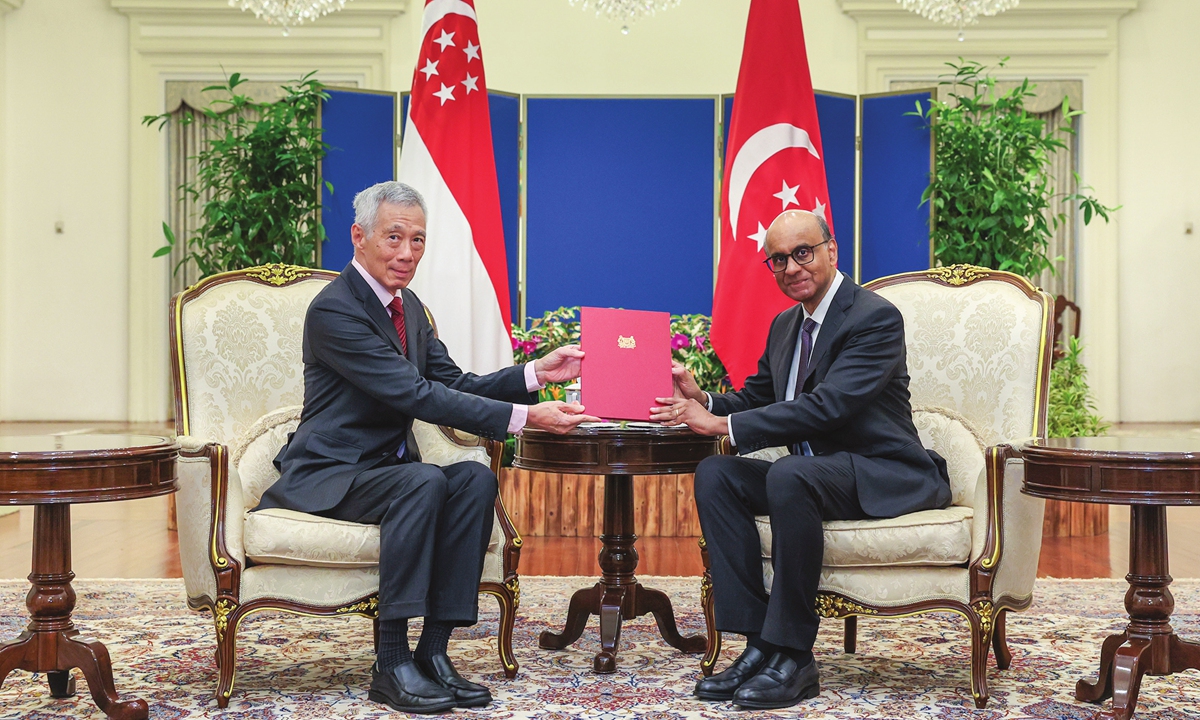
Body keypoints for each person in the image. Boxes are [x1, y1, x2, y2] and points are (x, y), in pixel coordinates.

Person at [258, 181, 599, 714]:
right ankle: (390, 663)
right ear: (359, 237)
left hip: (387, 472)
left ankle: (434, 652)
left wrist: (535, 374)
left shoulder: (409, 307)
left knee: (474, 478)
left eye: (417, 239)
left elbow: (454, 383)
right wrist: (526, 418)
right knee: (422, 480)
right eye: (394, 237)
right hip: (332, 474)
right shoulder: (334, 311)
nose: (407, 252)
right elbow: (415, 394)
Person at [650, 209, 951, 710]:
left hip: (882, 470)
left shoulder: (873, 317)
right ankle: (757, 645)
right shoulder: (786, 325)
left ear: (832, 250)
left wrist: (720, 426)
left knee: (791, 473)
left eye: (803, 253)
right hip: (813, 476)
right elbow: (758, 397)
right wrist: (703, 400)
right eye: (779, 259)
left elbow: (828, 406)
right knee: (717, 473)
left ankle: (794, 655)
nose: (791, 267)